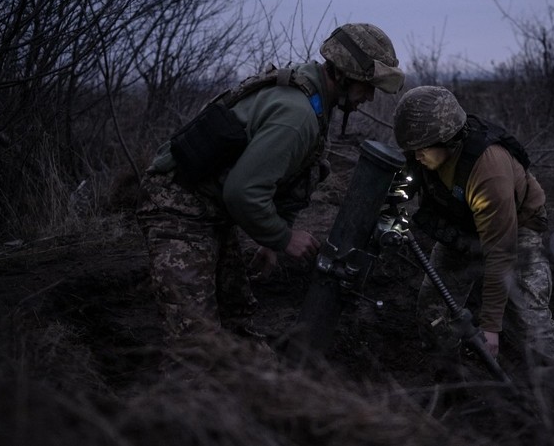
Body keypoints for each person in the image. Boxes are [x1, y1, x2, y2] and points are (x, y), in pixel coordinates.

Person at [136, 23, 404, 345]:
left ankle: (264, 391)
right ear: (345, 74)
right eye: (367, 85)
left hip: (210, 209)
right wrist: (283, 237)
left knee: (237, 319)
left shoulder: (313, 97)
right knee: (195, 344)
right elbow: (243, 191)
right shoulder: (298, 115)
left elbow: (292, 176)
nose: (370, 96)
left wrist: (269, 241)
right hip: (177, 209)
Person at [392, 86, 554, 376]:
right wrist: (390, 210)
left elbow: (500, 253)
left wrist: (491, 327)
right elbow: (401, 188)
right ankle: (452, 384)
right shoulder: (422, 150)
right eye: (412, 149)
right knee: (433, 310)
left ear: (449, 141)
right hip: (461, 224)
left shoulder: (488, 171)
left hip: (515, 229)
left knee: (529, 320)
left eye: (422, 149)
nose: (416, 156)